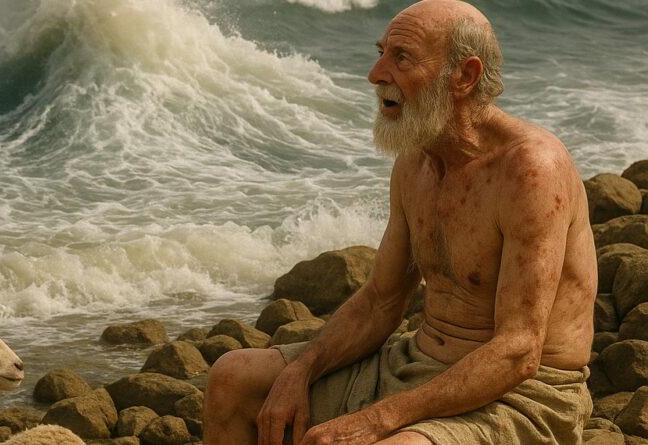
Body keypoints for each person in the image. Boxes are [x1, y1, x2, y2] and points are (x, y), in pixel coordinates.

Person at [202, 0, 597, 444]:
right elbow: (379, 301)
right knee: (232, 377)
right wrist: (301, 369)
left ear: (463, 76)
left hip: (524, 397)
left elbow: (519, 351)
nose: (376, 74)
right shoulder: (417, 161)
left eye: (401, 57)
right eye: (381, 52)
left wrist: (377, 420)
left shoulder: (531, 170)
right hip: (413, 364)